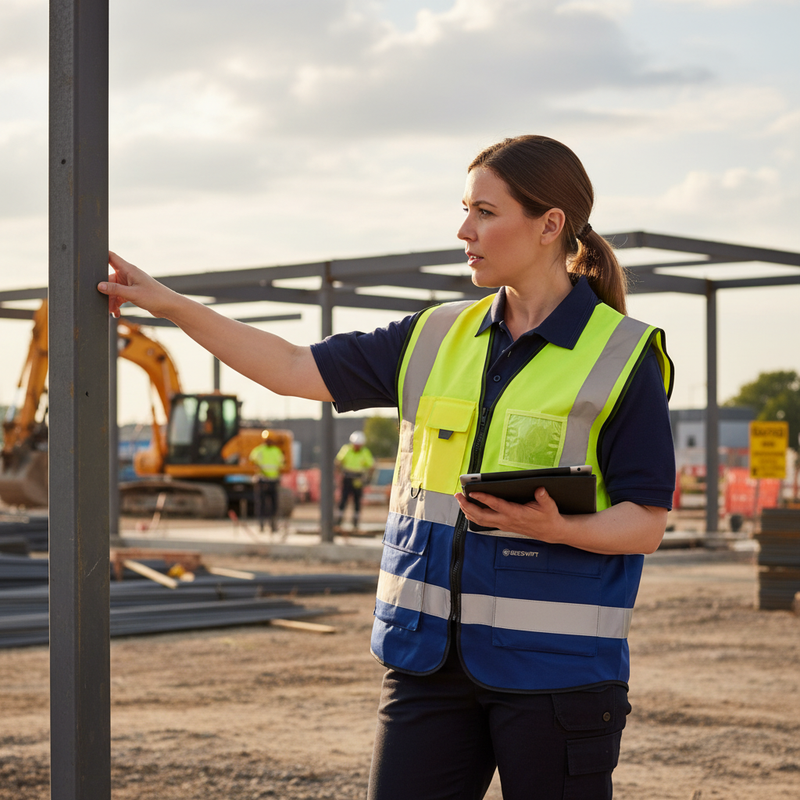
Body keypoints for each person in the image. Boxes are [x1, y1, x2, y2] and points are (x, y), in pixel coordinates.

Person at [99, 134, 675, 800]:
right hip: (428, 667)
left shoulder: (622, 355)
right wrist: (166, 303)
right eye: (466, 209)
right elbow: (291, 369)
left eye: (485, 212)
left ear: (549, 225)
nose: (464, 229)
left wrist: (555, 527)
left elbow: (645, 524)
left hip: (558, 678)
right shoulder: (434, 335)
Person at [335, 430, 375, 531]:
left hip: (358, 479)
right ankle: (338, 521)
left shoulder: (365, 452)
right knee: (343, 500)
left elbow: (371, 466)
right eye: (356, 445)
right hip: (347, 478)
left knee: (357, 501)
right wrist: (339, 474)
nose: (357, 447)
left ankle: (355, 523)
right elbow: (338, 461)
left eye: (359, 445)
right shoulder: (346, 449)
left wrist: (368, 478)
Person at [248, 430, 285, 532]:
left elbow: (253, 461)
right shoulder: (274, 451)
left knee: (266, 504)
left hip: (266, 480)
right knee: (266, 504)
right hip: (266, 480)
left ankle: (269, 524)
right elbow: (281, 464)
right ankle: (264, 525)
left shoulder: (260, 450)